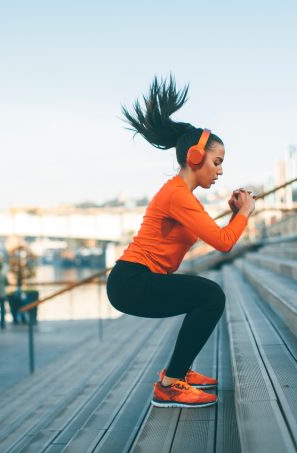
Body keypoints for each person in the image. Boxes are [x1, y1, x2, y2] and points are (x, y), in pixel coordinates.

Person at [106, 76, 255, 408]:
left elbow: (219, 236)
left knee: (204, 296)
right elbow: (223, 243)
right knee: (210, 295)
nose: (219, 172)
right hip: (132, 281)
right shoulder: (177, 195)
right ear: (195, 157)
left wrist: (235, 216)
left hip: (137, 279)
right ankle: (170, 385)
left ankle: (177, 374)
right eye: (217, 163)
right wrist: (245, 212)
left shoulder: (183, 196)